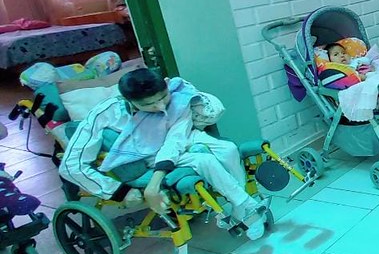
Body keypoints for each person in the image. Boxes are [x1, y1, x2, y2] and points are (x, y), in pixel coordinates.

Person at [59, 68, 269, 240]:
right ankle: (247, 206)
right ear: (128, 100)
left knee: (229, 149)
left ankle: (241, 205)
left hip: (179, 140)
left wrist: (156, 180)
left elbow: (175, 140)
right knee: (203, 160)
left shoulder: (178, 99)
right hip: (146, 154)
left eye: (162, 97)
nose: (160, 106)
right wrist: (117, 191)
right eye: (148, 104)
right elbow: (70, 166)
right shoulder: (105, 113)